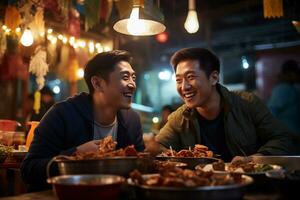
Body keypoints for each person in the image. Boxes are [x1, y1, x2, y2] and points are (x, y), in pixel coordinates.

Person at [21, 50, 145, 191]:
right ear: (97, 84)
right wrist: (76, 154)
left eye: (133, 78)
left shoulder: (132, 120)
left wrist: (150, 157)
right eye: (125, 77)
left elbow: (140, 167)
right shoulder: (62, 115)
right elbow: (29, 170)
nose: (132, 84)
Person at [154, 47, 299, 162]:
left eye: (190, 77)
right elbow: (158, 146)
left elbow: (282, 138)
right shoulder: (180, 117)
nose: (184, 87)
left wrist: (254, 159)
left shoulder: (247, 103)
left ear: (214, 78)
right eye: (178, 80)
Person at [268, 60, 300, 135]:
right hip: (288, 136)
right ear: (289, 74)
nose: (298, 76)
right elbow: (271, 112)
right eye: (296, 73)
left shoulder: (292, 87)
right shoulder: (282, 89)